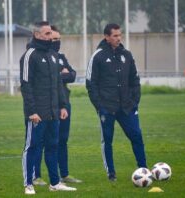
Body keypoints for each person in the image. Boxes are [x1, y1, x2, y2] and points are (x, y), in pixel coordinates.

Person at [20, 21, 76, 195]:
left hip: (54, 112)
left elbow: (58, 84)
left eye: (50, 33)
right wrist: (31, 112)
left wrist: (62, 106)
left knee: (53, 146)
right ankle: (28, 183)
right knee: (32, 147)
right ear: (37, 35)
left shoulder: (53, 55)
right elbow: (26, 85)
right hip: (38, 113)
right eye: (46, 34)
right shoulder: (29, 55)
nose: (50, 36)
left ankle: (55, 183)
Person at [86, 23, 147, 182]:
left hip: (127, 106)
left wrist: (134, 101)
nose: (119, 38)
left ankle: (143, 169)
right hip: (107, 108)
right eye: (115, 36)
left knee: (137, 136)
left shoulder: (127, 55)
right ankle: (111, 173)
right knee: (107, 140)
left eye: (120, 35)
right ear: (106, 37)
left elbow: (135, 80)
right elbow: (91, 84)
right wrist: (100, 107)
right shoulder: (97, 56)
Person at [32, 25, 82, 185]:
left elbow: (73, 75)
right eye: (54, 39)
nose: (56, 42)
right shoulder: (38, 56)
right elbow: (47, 79)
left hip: (63, 104)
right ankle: (36, 175)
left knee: (62, 140)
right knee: (39, 141)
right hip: (45, 106)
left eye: (59, 39)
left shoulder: (60, 57)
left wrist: (60, 75)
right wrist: (61, 74)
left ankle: (64, 174)